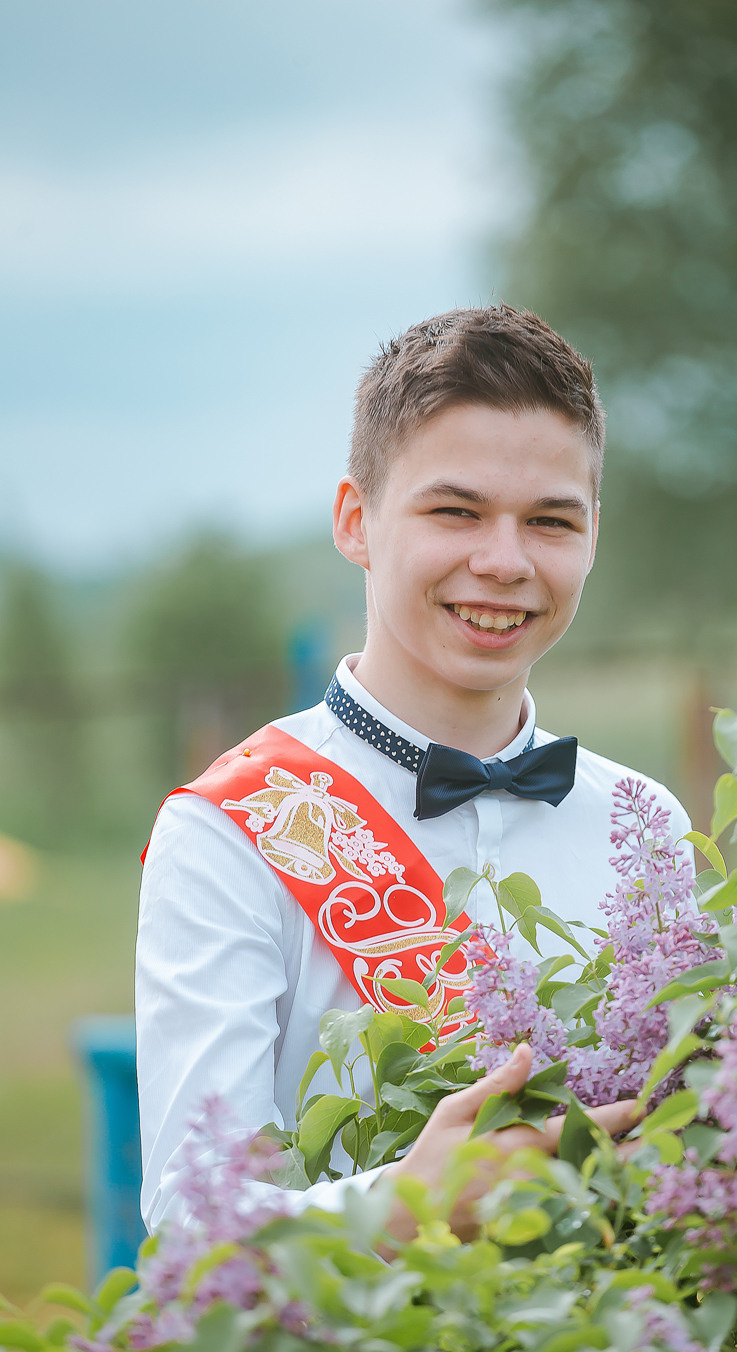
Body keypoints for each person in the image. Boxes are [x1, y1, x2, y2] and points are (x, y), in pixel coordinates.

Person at [136, 304, 691, 1242]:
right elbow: (192, 1232)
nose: (503, 560)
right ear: (357, 520)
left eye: (550, 520)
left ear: (594, 533)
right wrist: (408, 1207)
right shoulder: (227, 833)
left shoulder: (647, 823)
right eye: (455, 511)